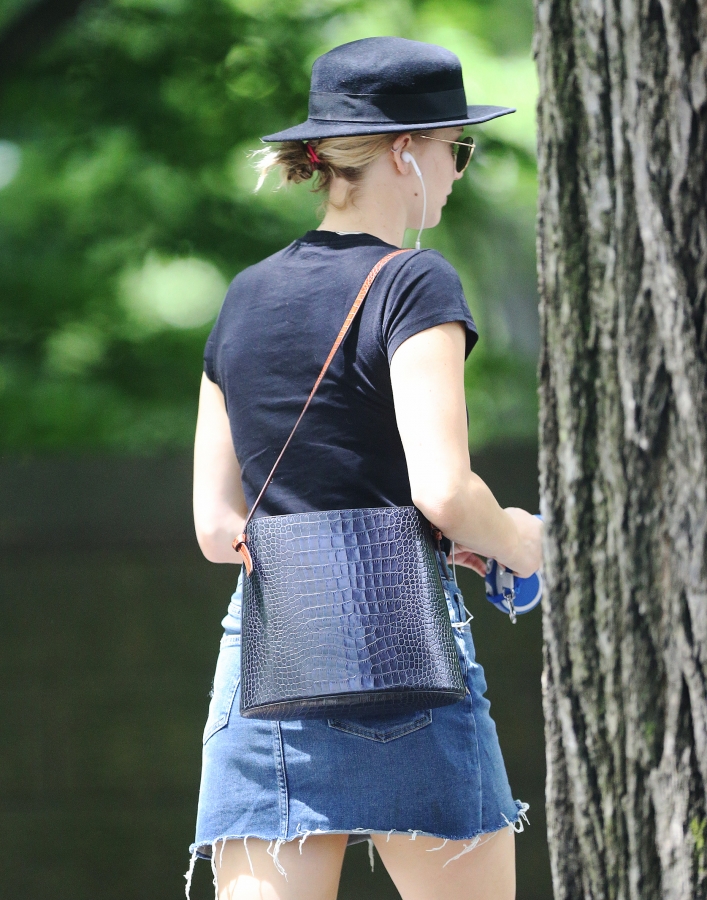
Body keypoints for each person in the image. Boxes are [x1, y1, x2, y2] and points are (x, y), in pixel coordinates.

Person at [187, 36, 542, 900]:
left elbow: (217, 528)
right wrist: (517, 540)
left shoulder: (243, 294)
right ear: (404, 152)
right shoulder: (412, 282)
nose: (456, 171)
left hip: (267, 657)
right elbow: (443, 491)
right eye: (456, 148)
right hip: (399, 648)